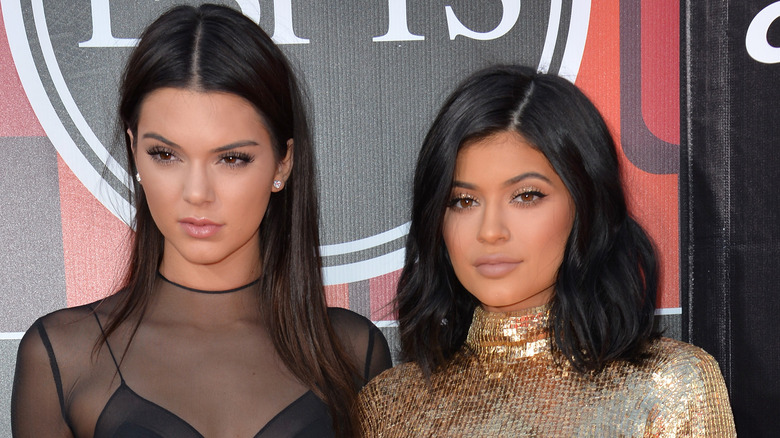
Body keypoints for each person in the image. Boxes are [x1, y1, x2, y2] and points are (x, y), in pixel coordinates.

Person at [11, 4, 391, 437]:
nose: (196, 192)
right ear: (135, 150)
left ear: (283, 162)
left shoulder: (353, 352)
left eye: (231, 158)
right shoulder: (63, 355)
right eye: (166, 155)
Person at [357, 65, 736, 436]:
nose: (490, 232)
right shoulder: (388, 406)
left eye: (526, 196)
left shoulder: (671, 388)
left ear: (585, 205)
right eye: (463, 201)